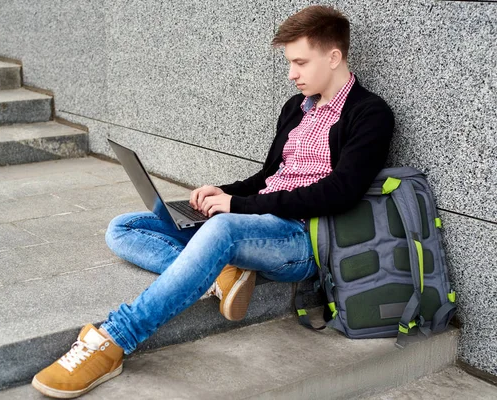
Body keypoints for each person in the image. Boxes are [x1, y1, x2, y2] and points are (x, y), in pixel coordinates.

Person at [31, 4, 395, 398]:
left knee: (221, 227)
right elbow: (269, 176)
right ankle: (219, 276)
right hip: (252, 220)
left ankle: (113, 340)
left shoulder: (370, 113)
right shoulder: (296, 108)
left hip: (301, 240)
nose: (292, 74)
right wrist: (223, 192)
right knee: (125, 226)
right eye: (290, 63)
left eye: (300, 63)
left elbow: (339, 193)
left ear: (334, 56)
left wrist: (236, 208)